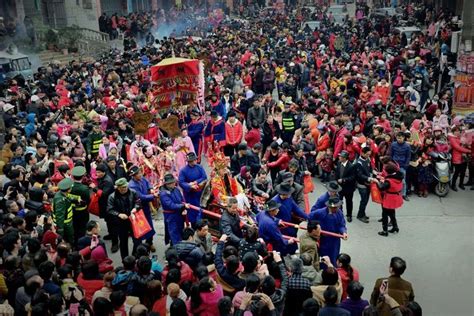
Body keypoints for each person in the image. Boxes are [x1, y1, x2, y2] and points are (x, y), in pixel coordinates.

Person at [106, 177, 142, 259]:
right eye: (122, 188)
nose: (124, 189)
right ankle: (125, 260)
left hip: (133, 219)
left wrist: (135, 208)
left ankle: (134, 257)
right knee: (123, 242)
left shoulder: (133, 192)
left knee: (137, 240)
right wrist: (118, 214)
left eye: (125, 187)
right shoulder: (112, 197)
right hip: (120, 222)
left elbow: (138, 202)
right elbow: (109, 210)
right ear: (117, 188)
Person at [309, 197, 348, 265]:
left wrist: (344, 232)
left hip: (335, 240)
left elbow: (341, 225)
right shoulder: (320, 213)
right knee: (323, 255)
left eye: (337, 207)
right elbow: (309, 217)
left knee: (334, 254)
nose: (336, 209)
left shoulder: (339, 213)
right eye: (334, 207)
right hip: (323, 239)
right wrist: (316, 228)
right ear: (329, 206)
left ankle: (332, 268)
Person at [271, 183, 308, 254]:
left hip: (288, 223)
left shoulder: (289, 198)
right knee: (282, 241)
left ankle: (292, 252)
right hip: (280, 226)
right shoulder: (274, 201)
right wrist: (277, 221)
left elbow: (296, 209)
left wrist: (307, 217)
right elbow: (268, 214)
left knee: (292, 235)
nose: (288, 195)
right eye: (287, 194)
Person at [128, 165, 157, 250]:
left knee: (150, 226)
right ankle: (140, 247)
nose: (140, 174)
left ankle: (149, 243)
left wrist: (151, 188)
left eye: (140, 172)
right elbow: (141, 197)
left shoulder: (142, 179)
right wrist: (152, 196)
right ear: (133, 176)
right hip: (138, 209)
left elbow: (148, 183)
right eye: (137, 174)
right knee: (141, 228)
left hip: (146, 207)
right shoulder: (132, 185)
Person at [178, 152, 208, 226]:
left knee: (200, 208)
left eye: (195, 160)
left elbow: (204, 177)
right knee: (191, 210)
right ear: (189, 161)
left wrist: (196, 182)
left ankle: (200, 223)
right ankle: (192, 224)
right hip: (190, 194)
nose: (195, 161)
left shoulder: (199, 167)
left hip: (200, 193)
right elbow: (181, 182)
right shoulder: (183, 171)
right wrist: (189, 185)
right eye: (194, 160)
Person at [160, 173, 189, 246]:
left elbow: (182, 199)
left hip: (179, 215)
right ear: (167, 184)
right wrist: (183, 206)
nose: (174, 183)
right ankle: (176, 250)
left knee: (180, 231)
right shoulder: (163, 194)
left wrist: (184, 208)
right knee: (174, 234)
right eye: (172, 182)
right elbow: (171, 206)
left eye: (174, 182)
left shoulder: (176, 189)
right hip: (171, 216)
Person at [376, 163, 404, 237]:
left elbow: (381, 188)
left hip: (389, 198)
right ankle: (395, 227)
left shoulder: (389, 180)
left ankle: (385, 231)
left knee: (384, 214)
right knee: (392, 213)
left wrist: (377, 182)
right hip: (396, 196)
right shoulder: (399, 176)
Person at [68, 166, 91, 245]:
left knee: (74, 228)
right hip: (82, 211)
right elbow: (88, 201)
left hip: (72, 210)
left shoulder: (69, 186)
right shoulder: (84, 188)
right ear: (83, 176)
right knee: (82, 229)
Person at [354, 147, 377, 223]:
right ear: (362, 153)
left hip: (368, 183)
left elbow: (370, 168)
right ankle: (360, 215)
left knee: (366, 200)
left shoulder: (368, 159)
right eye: (367, 154)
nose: (368, 156)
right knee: (363, 200)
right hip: (362, 184)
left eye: (369, 154)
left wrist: (373, 172)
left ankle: (362, 213)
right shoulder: (358, 163)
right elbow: (359, 175)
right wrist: (369, 178)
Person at [334, 150, 356, 222]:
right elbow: (337, 173)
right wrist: (335, 181)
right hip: (339, 187)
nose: (339, 157)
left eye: (341, 157)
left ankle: (349, 215)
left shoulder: (351, 166)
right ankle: (340, 213)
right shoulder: (339, 163)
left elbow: (352, 177)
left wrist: (343, 180)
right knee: (339, 200)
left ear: (345, 158)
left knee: (349, 201)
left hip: (348, 187)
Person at [390, 132, 411, 201]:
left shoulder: (407, 146)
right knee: (393, 179)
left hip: (402, 165)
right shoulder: (393, 144)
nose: (399, 139)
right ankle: (393, 193)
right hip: (394, 165)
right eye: (398, 138)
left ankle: (404, 194)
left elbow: (408, 157)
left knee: (403, 181)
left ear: (403, 138)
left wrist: (405, 165)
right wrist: (391, 163)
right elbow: (391, 154)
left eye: (400, 138)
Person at [52, 178, 74, 244]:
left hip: (67, 222)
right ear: (69, 189)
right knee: (69, 239)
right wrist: (60, 230)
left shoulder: (61, 194)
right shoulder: (60, 201)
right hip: (65, 224)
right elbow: (59, 216)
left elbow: (68, 197)